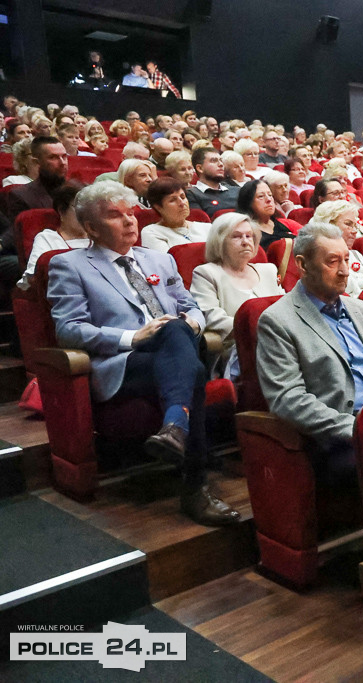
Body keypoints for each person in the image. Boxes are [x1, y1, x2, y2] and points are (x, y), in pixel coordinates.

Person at [46, 182, 237, 525]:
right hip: (125, 362)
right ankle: (194, 487)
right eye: (115, 216)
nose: (130, 221)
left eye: (131, 213)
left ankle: (175, 429)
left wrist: (190, 324)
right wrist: (133, 337)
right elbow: (69, 329)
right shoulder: (69, 265)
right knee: (190, 367)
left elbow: (192, 307)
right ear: (91, 227)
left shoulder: (160, 260)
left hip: (171, 350)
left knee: (177, 332)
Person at [257, 222, 363, 463]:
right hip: (342, 437)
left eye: (345, 259)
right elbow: (288, 398)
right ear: (302, 265)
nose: (344, 271)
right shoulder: (278, 321)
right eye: (332, 262)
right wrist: (358, 429)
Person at [189, 213, 283, 378]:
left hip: (281, 341)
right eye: (237, 237)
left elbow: (286, 307)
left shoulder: (268, 270)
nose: (246, 241)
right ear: (220, 241)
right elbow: (212, 317)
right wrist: (259, 330)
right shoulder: (207, 273)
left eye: (249, 236)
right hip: (239, 348)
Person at [18, 183, 89, 290]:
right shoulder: (47, 239)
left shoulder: (99, 237)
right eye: (79, 208)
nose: (85, 215)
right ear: (61, 211)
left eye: (89, 209)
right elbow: (34, 276)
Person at [312, 200, 363, 296]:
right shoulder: (316, 259)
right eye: (348, 224)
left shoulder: (357, 256)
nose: (354, 231)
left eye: (355, 226)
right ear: (329, 225)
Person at [140, 177, 211, 253]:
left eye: (183, 197)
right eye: (172, 200)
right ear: (158, 207)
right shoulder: (152, 232)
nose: (182, 203)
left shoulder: (207, 227)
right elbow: (167, 262)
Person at [7, 136, 68, 218]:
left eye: (64, 156)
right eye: (53, 157)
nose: (62, 162)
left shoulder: (78, 189)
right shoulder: (21, 196)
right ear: (36, 162)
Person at [238, 179, 298, 250]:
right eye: (261, 196)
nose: (269, 199)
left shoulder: (286, 223)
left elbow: (310, 239)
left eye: (270, 195)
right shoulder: (246, 233)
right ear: (248, 203)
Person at [186, 148, 240, 218]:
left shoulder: (237, 190)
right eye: (214, 161)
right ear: (200, 168)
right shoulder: (191, 194)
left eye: (221, 160)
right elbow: (200, 224)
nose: (221, 164)